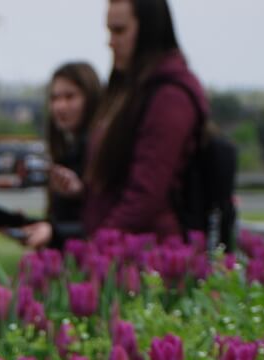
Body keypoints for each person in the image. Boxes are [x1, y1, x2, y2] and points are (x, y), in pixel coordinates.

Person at [81, 0, 210, 240]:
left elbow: (146, 195)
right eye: (109, 31)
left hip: (150, 257)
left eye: (119, 30)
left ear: (149, 31)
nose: (110, 42)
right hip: (119, 251)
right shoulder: (128, 88)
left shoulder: (170, 96)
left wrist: (99, 244)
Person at [18, 62, 102, 250]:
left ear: (91, 98)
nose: (60, 106)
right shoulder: (65, 151)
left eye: (70, 97)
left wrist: (55, 232)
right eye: (54, 98)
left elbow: (104, 223)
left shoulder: (100, 151)